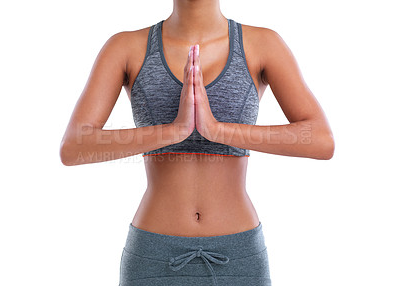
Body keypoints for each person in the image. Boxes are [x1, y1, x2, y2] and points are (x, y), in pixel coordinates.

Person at [60, 0, 335, 285]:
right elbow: (75, 146)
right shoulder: (125, 47)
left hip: (238, 257)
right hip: (154, 255)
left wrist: (217, 130)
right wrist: (173, 131)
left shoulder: (263, 44)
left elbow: (319, 139)